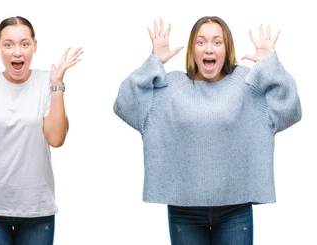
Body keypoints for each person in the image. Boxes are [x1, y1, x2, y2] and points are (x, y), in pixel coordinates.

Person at [113, 16, 301, 245]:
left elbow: (289, 111)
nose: (209, 48)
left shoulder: (247, 84)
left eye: (217, 42)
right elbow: (125, 105)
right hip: (184, 209)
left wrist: (271, 66)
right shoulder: (170, 87)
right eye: (201, 42)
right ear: (192, 49)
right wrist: (154, 62)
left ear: (227, 47)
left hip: (235, 208)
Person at [0, 16, 82, 245]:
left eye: (24, 44)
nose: (17, 52)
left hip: (36, 208)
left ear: (34, 46)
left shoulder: (47, 82)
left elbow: (56, 138)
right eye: (8, 44)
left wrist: (57, 86)